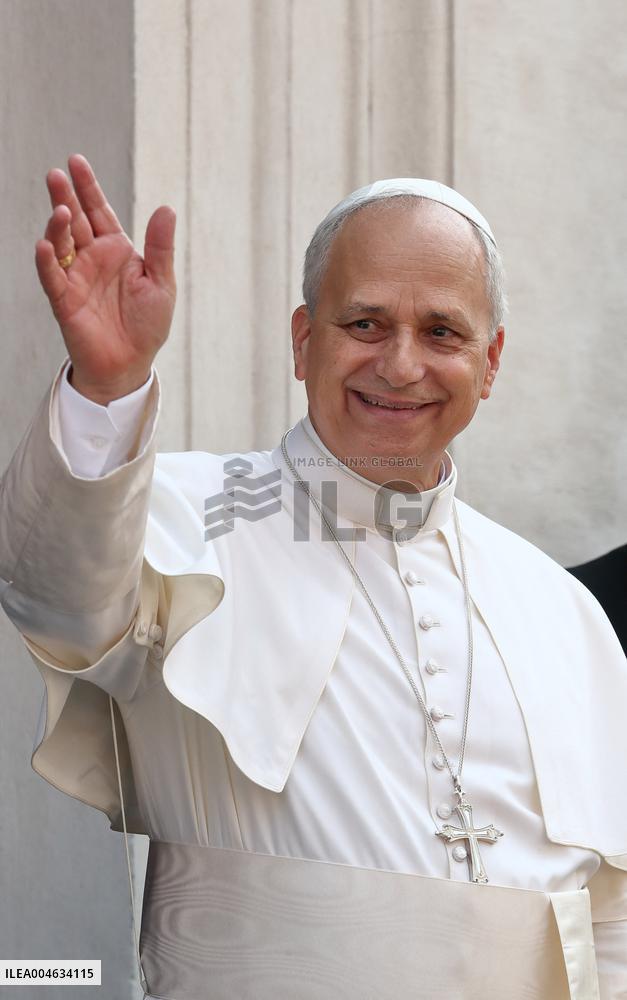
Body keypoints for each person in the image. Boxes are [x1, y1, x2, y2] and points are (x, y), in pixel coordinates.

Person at [1, 154, 626, 999]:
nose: (399, 365)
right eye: (364, 323)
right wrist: (107, 388)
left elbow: (609, 916)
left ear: (490, 362)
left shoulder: (560, 607)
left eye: (442, 332)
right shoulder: (181, 519)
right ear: (304, 341)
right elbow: (55, 591)